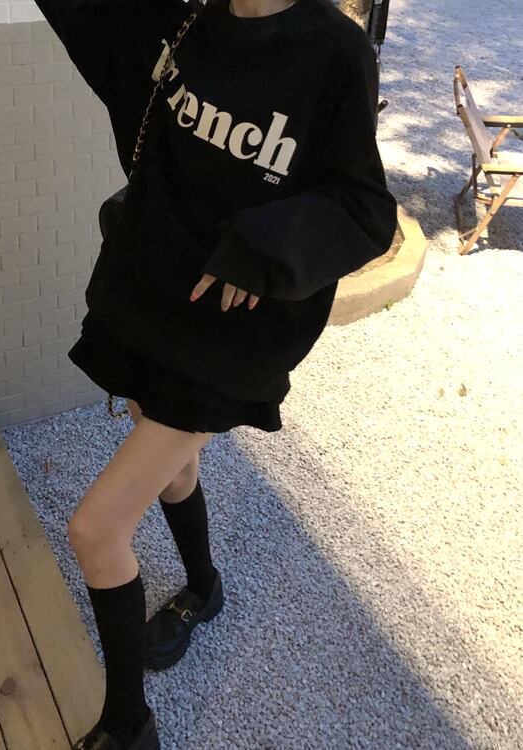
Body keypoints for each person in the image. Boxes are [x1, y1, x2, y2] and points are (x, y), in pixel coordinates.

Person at [30, 0, 398, 747]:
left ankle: (129, 724)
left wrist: (264, 248)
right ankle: (204, 589)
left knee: (96, 530)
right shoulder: (185, 15)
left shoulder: (335, 50)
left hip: (232, 337)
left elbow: (364, 206)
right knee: (171, 469)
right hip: (156, 297)